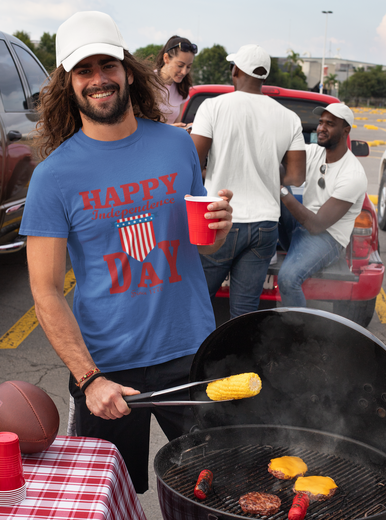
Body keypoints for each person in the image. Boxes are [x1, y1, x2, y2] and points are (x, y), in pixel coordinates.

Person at [19, 11, 233, 493]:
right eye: (84, 70)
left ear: (127, 70)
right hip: (108, 368)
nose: (98, 80)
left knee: (214, 489)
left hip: (191, 352)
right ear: (68, 84)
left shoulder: (177, 148)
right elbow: (46, 292)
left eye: (107, 65)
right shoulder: (53, 177)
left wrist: (219, 229)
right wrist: (88, 378)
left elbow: (202, 242)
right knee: (109, 496)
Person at [191, 44, 306, 319]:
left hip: (222, 220)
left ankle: (192, 359)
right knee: (244, 312)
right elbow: (296, 176)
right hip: (266, 225)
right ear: (263, 77)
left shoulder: (213, 107)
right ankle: (238, 361)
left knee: (196, 300)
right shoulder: (289, 118)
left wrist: (209, 173)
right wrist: (265, 170)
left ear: (237, 71)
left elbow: (192, 162)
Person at [277, 103, 368, 307]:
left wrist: (280, 189)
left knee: (288, 279)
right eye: (320, 123)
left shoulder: (352, 175)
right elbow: (281, 158)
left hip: (327, 237)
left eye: (330, 124)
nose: (321, 128)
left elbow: (317, 225)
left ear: (346, 131)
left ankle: (296, 334)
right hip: (301, 227)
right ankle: (255, 247)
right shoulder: (313, 152)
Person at [155, 35, 197, 126]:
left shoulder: (182, 88)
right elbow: (138, 124)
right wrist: (170, 128)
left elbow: (176, 125)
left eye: (189, 67)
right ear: (166, 58)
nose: (184, 72)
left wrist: (185, 128)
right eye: (180, 65)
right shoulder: (147, 82)